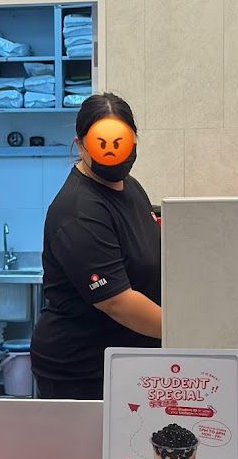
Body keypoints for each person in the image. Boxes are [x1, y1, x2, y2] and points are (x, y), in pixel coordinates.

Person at [31, 93, 161, 400]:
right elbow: (117, 302)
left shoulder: (130, 188)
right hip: (82, 372)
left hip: (125, 362)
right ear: (80, 145)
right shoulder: (79, 210)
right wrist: (188, 332)